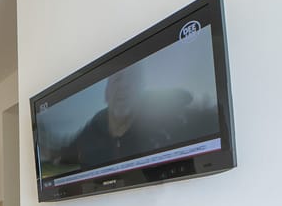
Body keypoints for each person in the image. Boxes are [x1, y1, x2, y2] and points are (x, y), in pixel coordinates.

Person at [59, 64, 213, 169]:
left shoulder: (161, 129)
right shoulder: (94, 126)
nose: (124, 85)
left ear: (141, 92)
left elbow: (185, 99)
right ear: (106, 94)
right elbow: (65, 154)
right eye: (117, 79)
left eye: (132, 78)